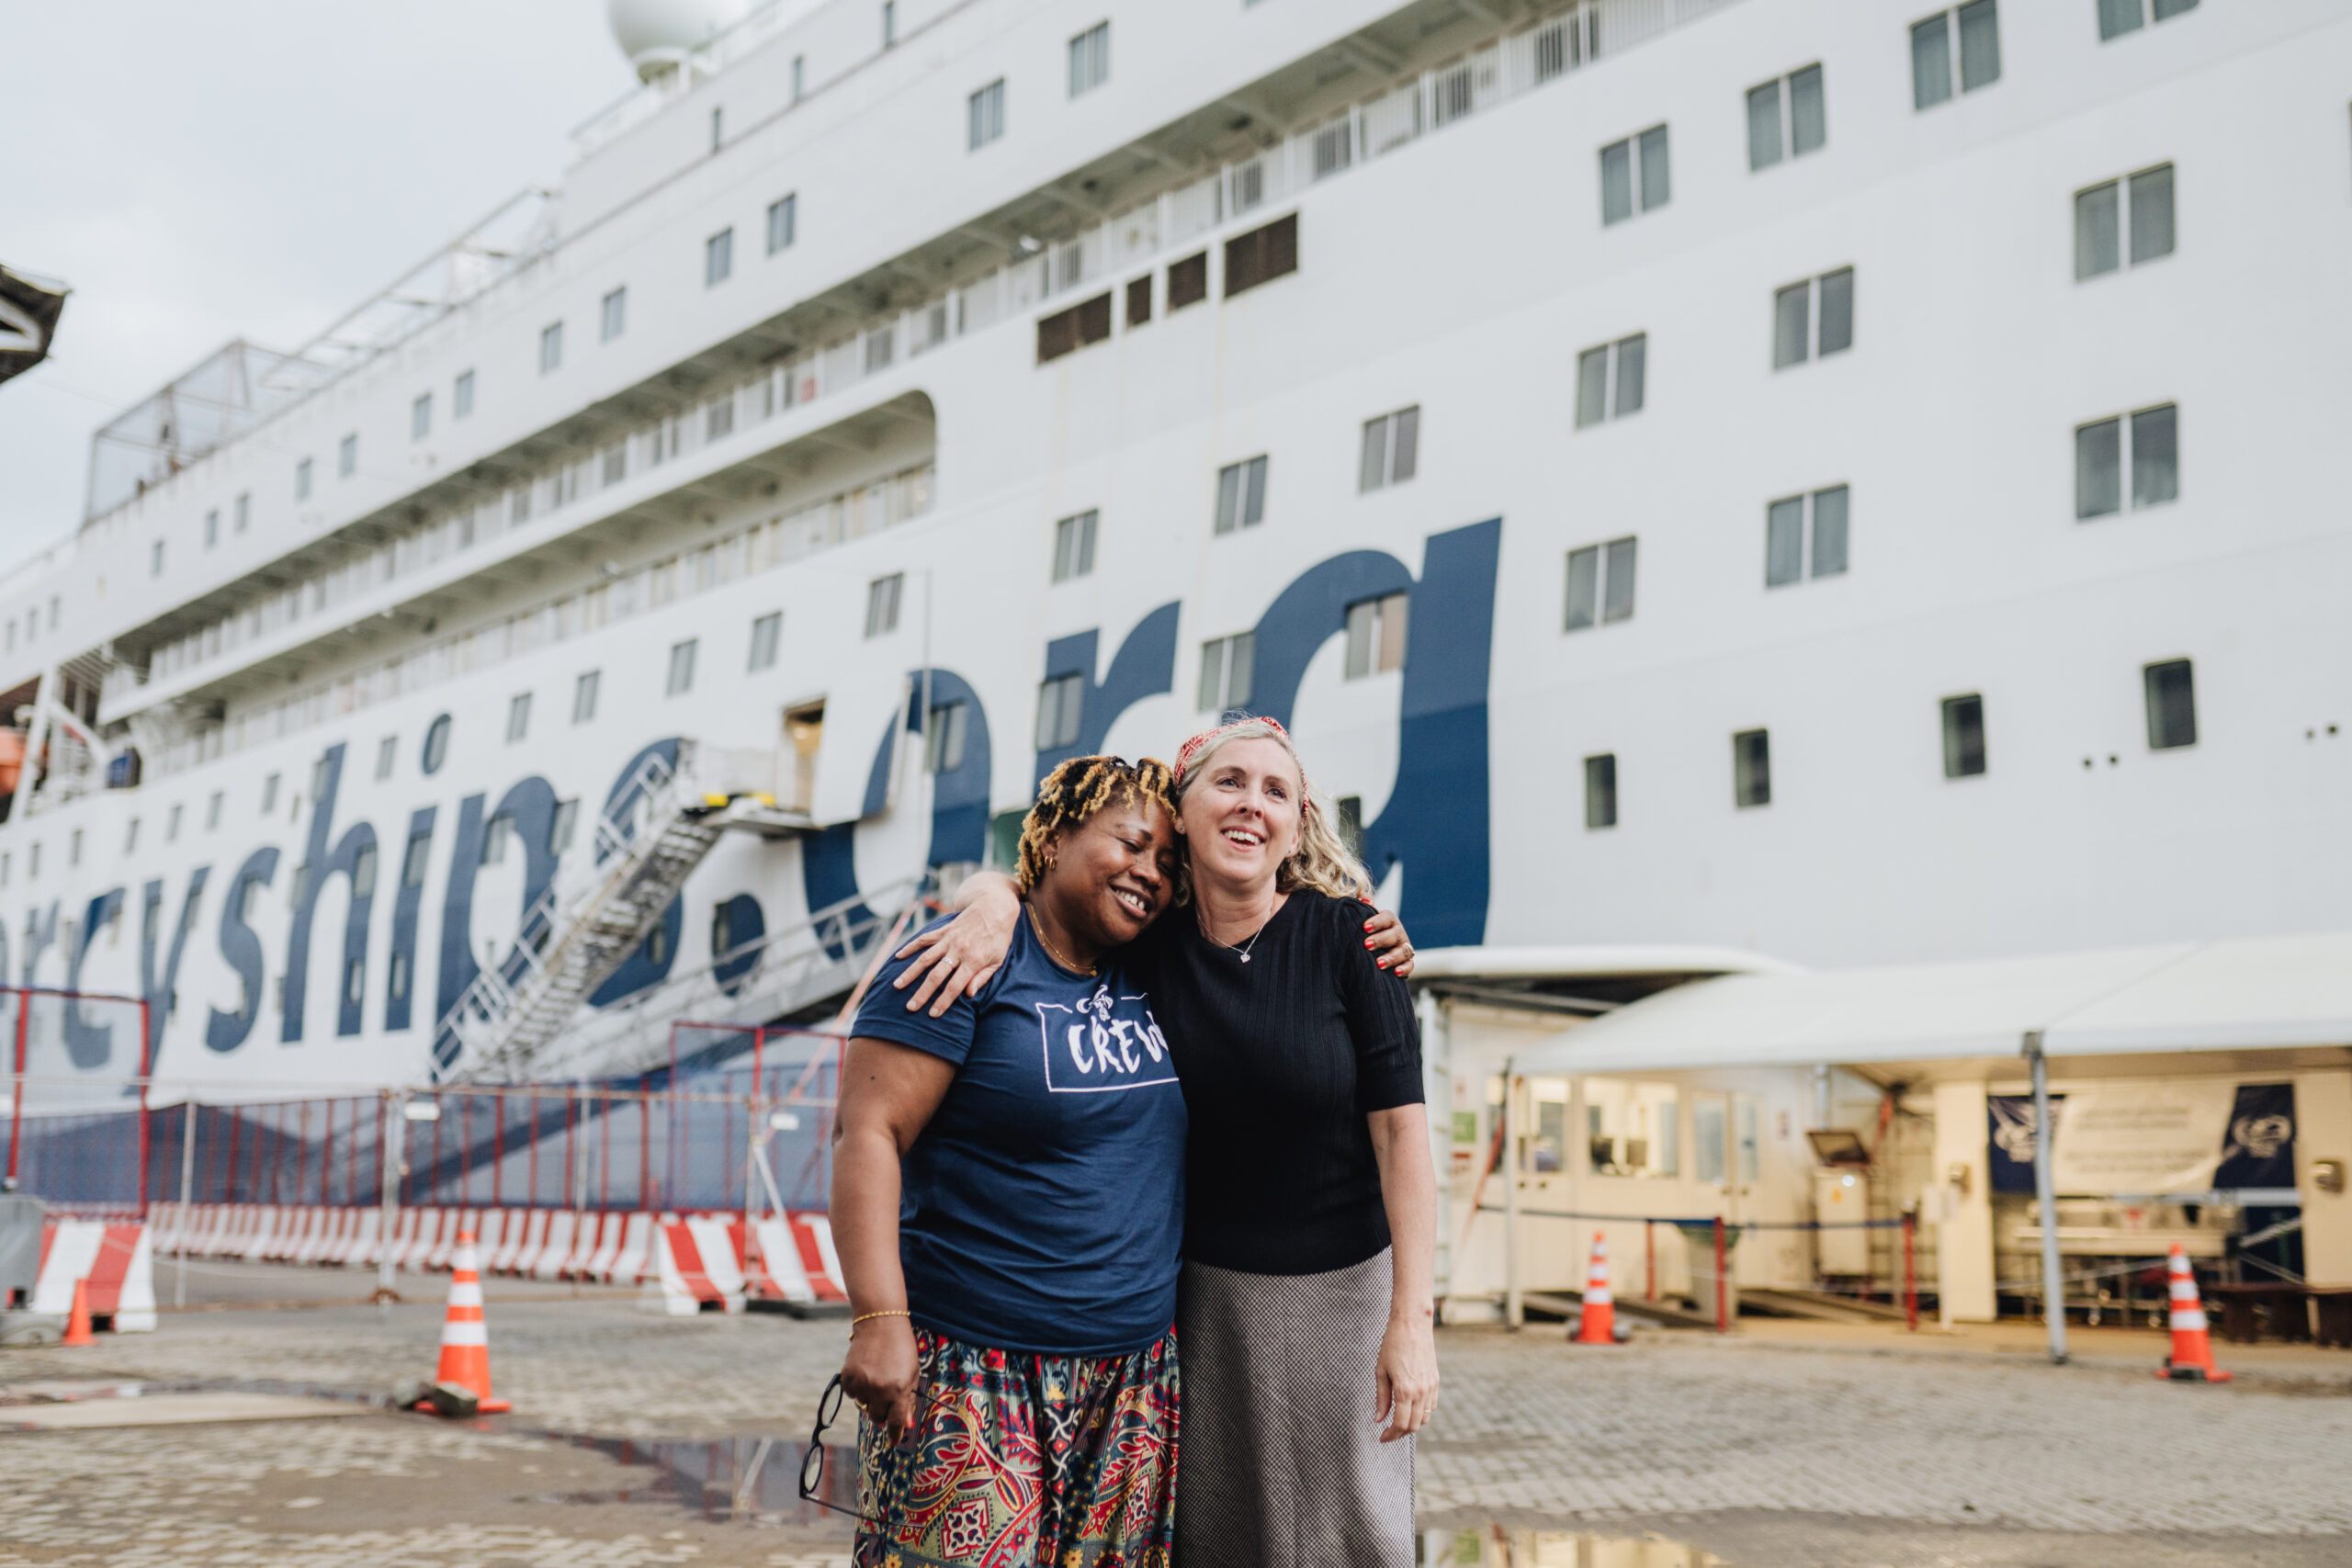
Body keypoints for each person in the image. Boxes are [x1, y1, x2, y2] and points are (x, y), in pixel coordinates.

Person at [895, 716, 1438, 1567]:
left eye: (1275, 790)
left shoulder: (1351, 937)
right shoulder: (1147, 948)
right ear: (1180, 812)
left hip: (1346, 1297)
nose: (1251, 804)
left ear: (1298, 821)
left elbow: (1405, 1135)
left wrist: (1413, 1318)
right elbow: (1044, 884)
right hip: (1203, 1299)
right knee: (1219, 1535)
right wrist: (990, 903)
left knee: (1352, 1535)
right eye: (1229, 782)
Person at [831, 755, 1188, 1568]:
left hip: (1133, 1378)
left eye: (1168, 863)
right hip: (974, 1367)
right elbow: (867, 1134)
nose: (1149, 873)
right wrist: (880, 1319)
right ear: (1056, 837)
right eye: (1130, 843)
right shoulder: (963, 961)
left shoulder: (1156, 967)